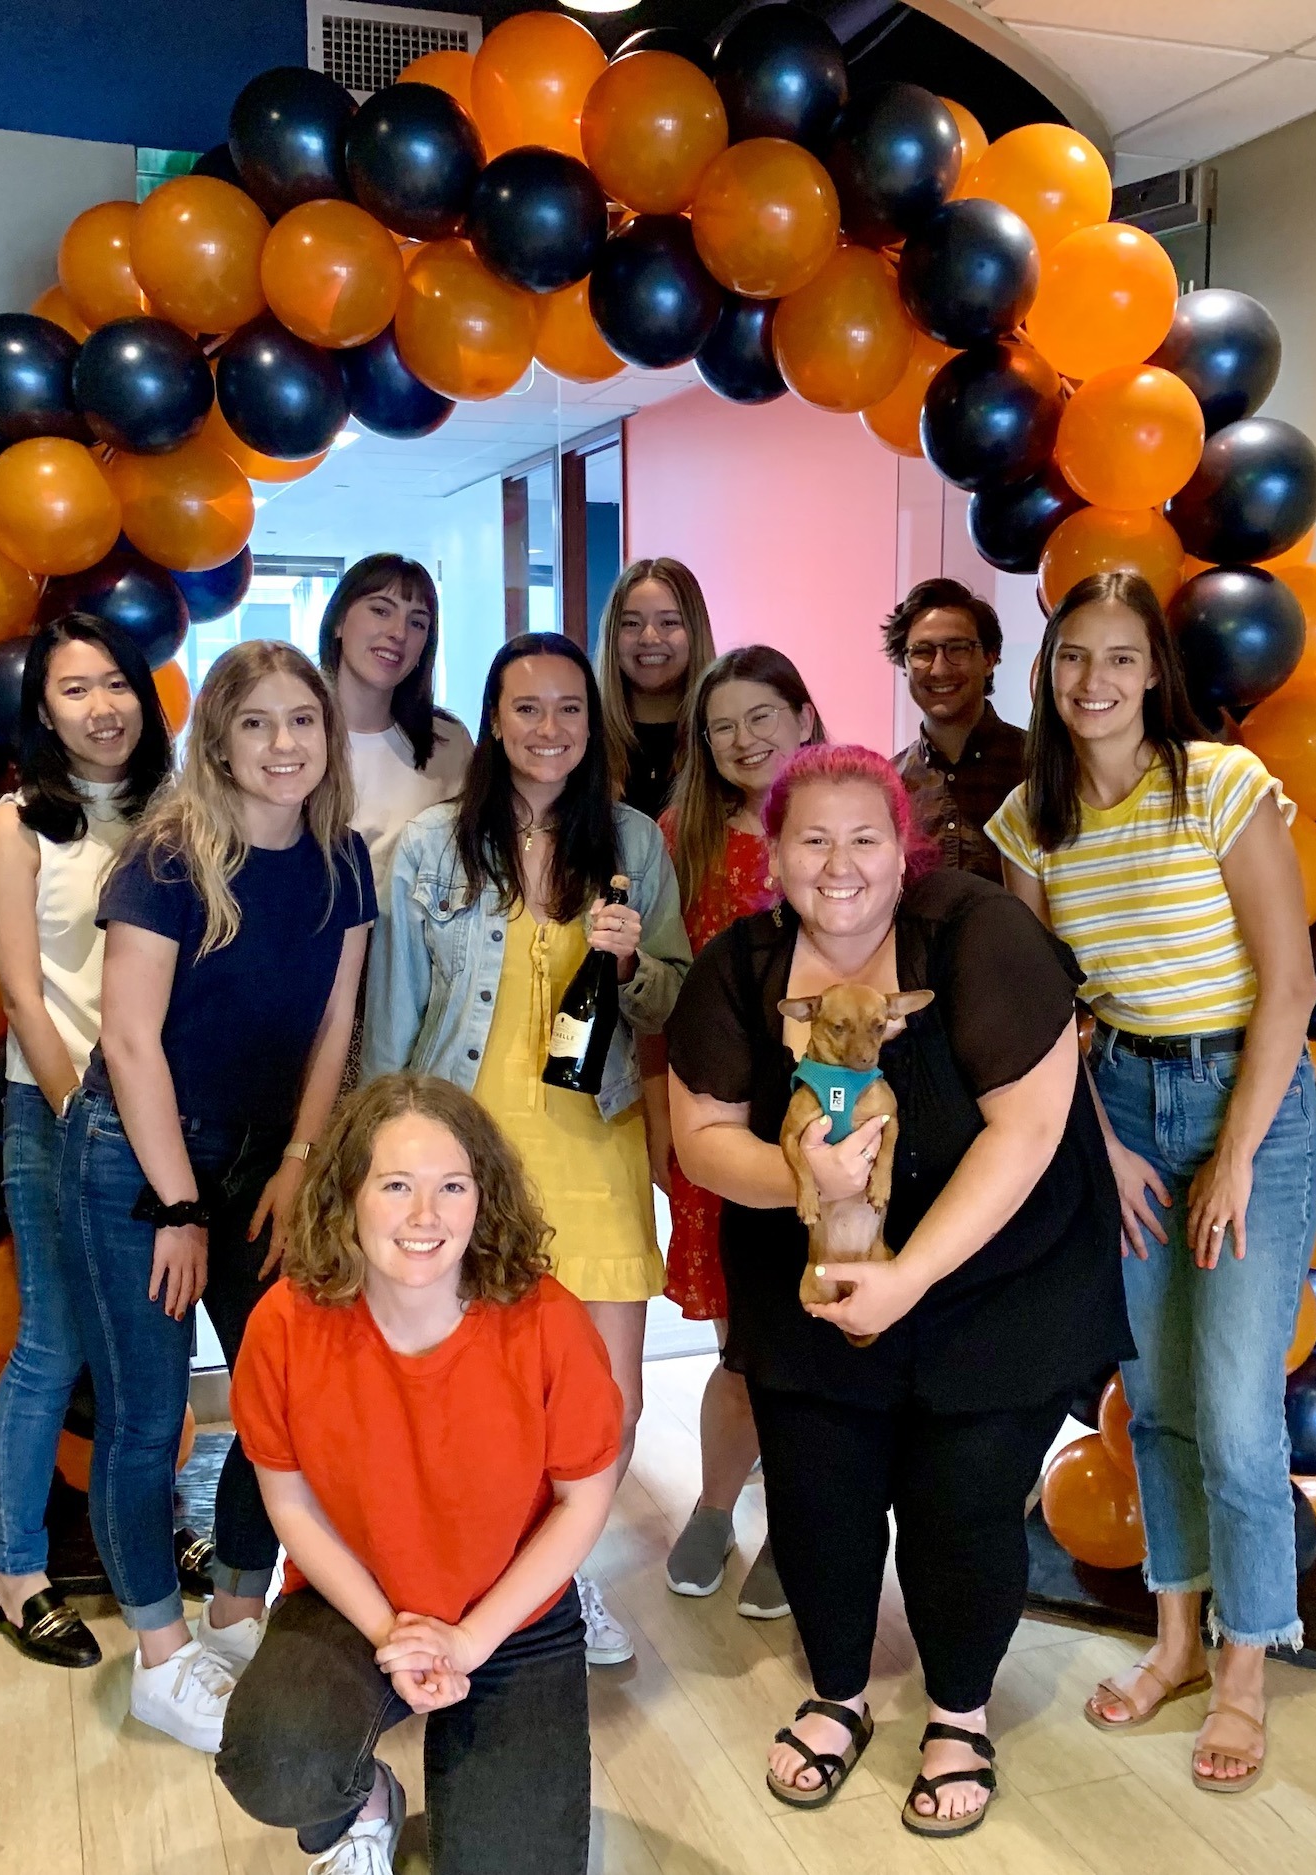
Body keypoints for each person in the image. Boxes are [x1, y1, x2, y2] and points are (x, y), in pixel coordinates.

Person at [664, 743, 1130, 1838]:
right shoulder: (740, 968)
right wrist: (799, 1179)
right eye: (812, 839)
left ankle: (958, 1714)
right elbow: (698, 1139)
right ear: (772, 855)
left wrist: (909, 1278)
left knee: (959, 1507)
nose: (839, 865)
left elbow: (1026, 1133)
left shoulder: (977, 936)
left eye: (864, 837)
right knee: (821, 1501)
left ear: (902, 848)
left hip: (994, 1276)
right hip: (812, 1280)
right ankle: (838, 1696)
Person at [986, 570, 1316, 1796]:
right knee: (1157, 1401)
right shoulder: (1033, 820)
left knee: (1237, 1410)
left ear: (1153, 672)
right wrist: (1104, 1143)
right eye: (1073, 657)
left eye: (1119, 659)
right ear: (1048, 668)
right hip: (1118, 1103)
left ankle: (1245, 1667)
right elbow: (1040, 1008)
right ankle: (1175, 1639)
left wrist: (1234, 1152)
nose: (1094, 683)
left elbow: (1288, 985)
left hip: (1250, 1103)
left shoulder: (1223, 787)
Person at [56, 640, 376, 1751]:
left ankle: (236, 1617)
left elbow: (335, 1025)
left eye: (303, 721)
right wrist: (181, 1208)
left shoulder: (342, 861)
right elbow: (131, 1042)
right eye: (256, 723)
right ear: (220, 738)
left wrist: (297, 1161)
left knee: (278, 1399)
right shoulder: (168, 856)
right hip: (134, 1160)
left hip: (261, 1160)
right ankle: (158, 1658)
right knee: (148, 1420)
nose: (283, 745)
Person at [366, 631, 690, 1671]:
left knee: (609, 1400)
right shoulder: (430, 848)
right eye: (526, 709)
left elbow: (670, 994)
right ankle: (483, 1586)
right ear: (494, 722)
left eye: (567, 710)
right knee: (473, 1395)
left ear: (590, 727)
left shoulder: (633, 842)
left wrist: (632, 962)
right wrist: (375, 1164)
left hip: (591, 1143)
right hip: (464, 1160)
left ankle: (561, 1585)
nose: (548, 730)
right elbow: (392, 1024)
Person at [214, 1074, 622, 1875]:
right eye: (396, 1185)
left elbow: (584, 1499)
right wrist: (386, 1632)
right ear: (347, 1195)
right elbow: (289, 1505)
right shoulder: (285, 1325)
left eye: (452, 1186)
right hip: (352, 1600)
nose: (425, 1216)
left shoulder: (548, 1320)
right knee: (278, 1763)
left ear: (484, 1198)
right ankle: (363, 1806)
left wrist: (471, 1636)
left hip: (511, 1614)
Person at [0, 613, 173, 1669]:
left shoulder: (178, 813)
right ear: (42, 713)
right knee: (55, 1340)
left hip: (167, 1118)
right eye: (74, 691)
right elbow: (20, 988)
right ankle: (17, 1572)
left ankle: (142, 1536)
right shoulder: (19, 825)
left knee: (148, 1345)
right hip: (58, 1114)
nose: (103, 708)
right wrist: (82, 1116)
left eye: (116, 684)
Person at [643, 646, 823, 1618]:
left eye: (761, 717)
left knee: (812, 1345)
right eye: (722, 727)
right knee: (740, 1343)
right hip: (718, 1125)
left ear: (802, 716)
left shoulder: (839, 821)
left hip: (828, 1128)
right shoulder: (685, 836)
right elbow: (663, 996)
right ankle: (716, 1506)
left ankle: (799, 1522)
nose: (743, 740)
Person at [318, 552, 473, 890]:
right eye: (381, 611)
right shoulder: (296, 737)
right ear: (340, 622)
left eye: (417, 622)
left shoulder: (447, 743)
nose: (398, 632)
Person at [880, 578, 1026, 883]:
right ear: (904, 663)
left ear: (989, 659)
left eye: (957, 648)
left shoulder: (1040, 766)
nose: (939, 668)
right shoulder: (887, 785)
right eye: (922, 652)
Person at [595, 556, 715, 818]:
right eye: (631, 624)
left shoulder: (720, 737)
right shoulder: (585, 737)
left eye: (669, 622)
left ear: (695, 631)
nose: (649, 637)